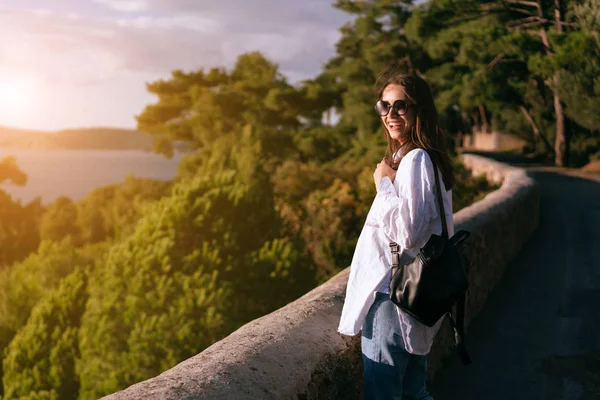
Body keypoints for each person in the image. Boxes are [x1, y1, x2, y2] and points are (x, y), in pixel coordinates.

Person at [337, 67, 455, 400]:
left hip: (394, 300)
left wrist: (383, 183)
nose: (390, 114)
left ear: (419, 110)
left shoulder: (416, 160)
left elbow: (407, 233)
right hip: (416, 301)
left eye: (401, 106)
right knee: (414, 394)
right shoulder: (428, 158)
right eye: (384, 106)